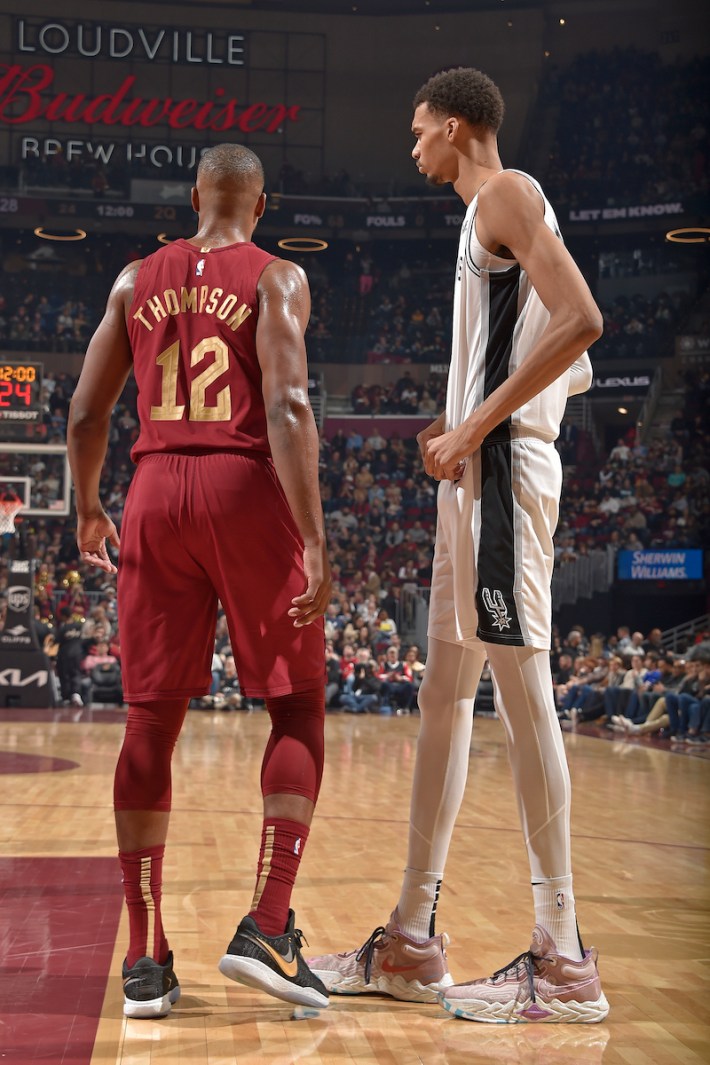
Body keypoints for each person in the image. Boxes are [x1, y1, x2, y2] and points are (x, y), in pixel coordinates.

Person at [309, 67, 608, 1024]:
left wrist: (477, 426)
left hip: (499, 477)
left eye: (418, 132)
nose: (411, 148)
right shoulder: (500, 214)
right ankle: (411, 939)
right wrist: (490, 419)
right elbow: (580, 364)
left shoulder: (509, 192)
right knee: (443, 695)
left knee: (524, 698)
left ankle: (563, 962)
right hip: (479, 481)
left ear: (455, 125)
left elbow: (584, 322)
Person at [67, 143, 331, 1019]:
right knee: (293, 706)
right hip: (242, 486)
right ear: (263, 203)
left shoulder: (133, 279)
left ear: (193, 198)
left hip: (152, 490)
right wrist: (317, 537)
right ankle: (266, 921)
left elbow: (84, 411)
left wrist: (87, 509)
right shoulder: (275, 279)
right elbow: (289, 406)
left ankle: (144, 955)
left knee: (151, 719)